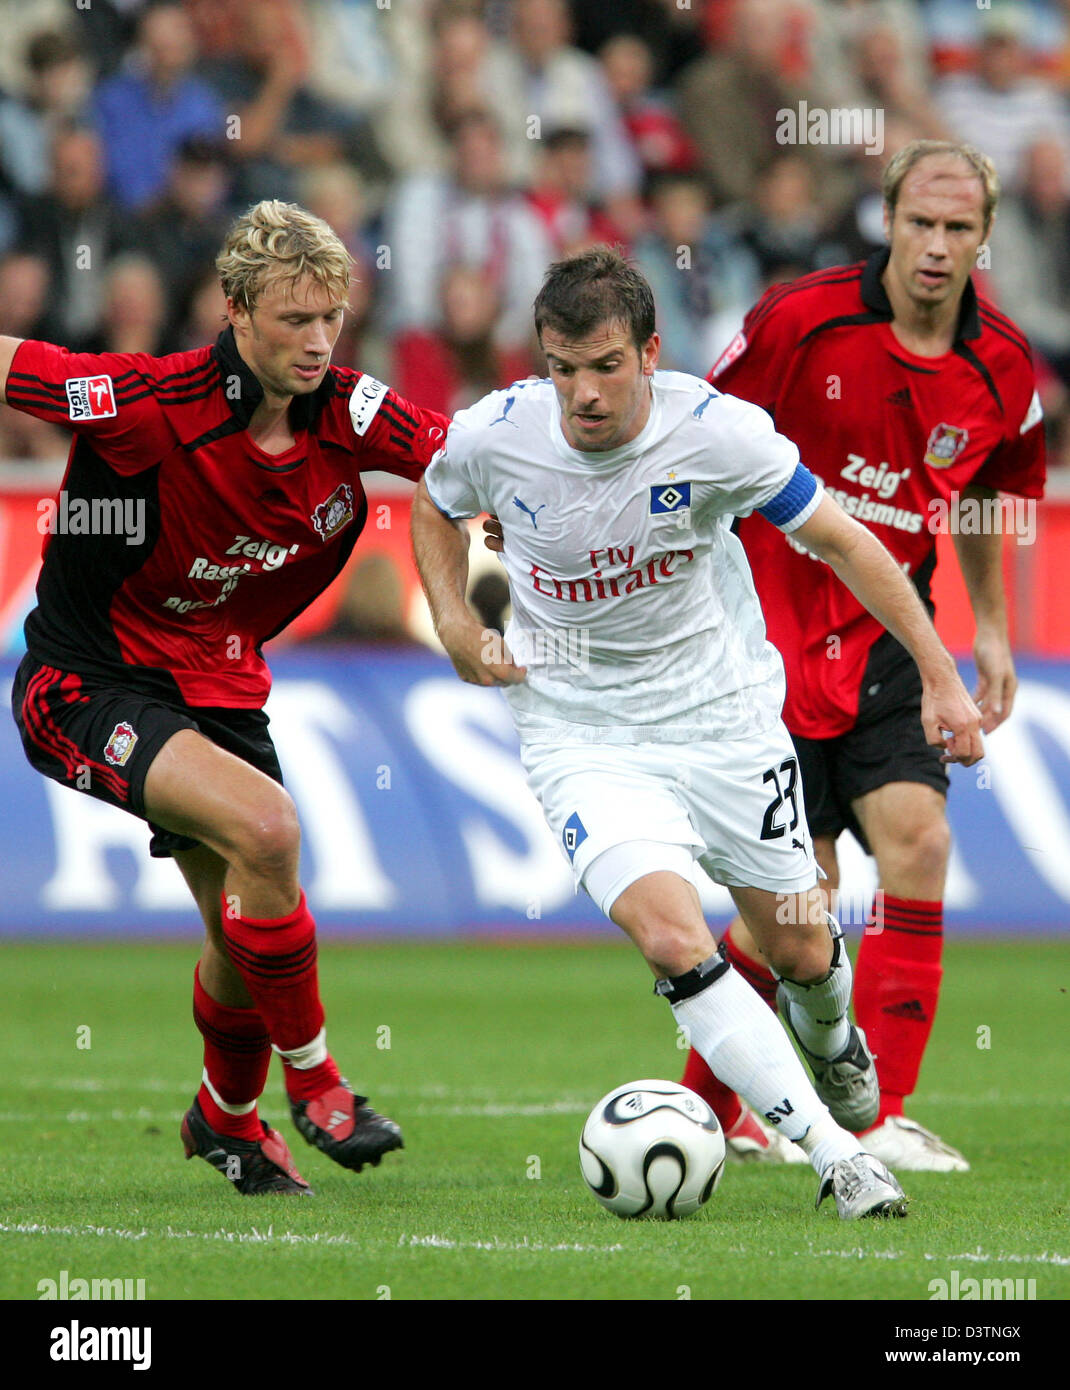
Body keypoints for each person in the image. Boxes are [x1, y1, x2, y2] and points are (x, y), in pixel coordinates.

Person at [411, 246, 986, 1219]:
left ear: (649, 351)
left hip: (720, 720)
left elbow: (844, 539)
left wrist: (938, 671)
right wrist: (459, 621)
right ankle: (833, 1154)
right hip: (580, 732)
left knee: (801, 949)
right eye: (560, 368)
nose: (581, 394)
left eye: (602, 366)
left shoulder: (718, 435)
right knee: (673, 937)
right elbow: (434, 502)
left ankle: (836, 1036)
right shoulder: (497, 433)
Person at [3, 199, 450, 1196]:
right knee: (270, 830)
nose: (317, 341)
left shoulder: (348, 410)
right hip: (85, 682)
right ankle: (317, 1082)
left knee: (243, 933)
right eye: (294, 320)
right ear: (237, 312)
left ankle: (225, 1120)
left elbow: (463, 462)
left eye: (330, 318)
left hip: (221, 686)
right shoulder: (139, 401)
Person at [680, 139, 1046, 1170]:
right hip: (762, 632)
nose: (934, 248)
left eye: (956, 229)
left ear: (982, 238)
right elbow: (702, 434)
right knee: (796, 907)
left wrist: (991, 632)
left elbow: (990, 494)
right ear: (886, 221)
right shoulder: (799, 321)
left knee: (919, 842)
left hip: (893, 633)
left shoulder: (1002, 367)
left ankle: (874, 1115)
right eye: (918, 224)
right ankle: (701, 1104)